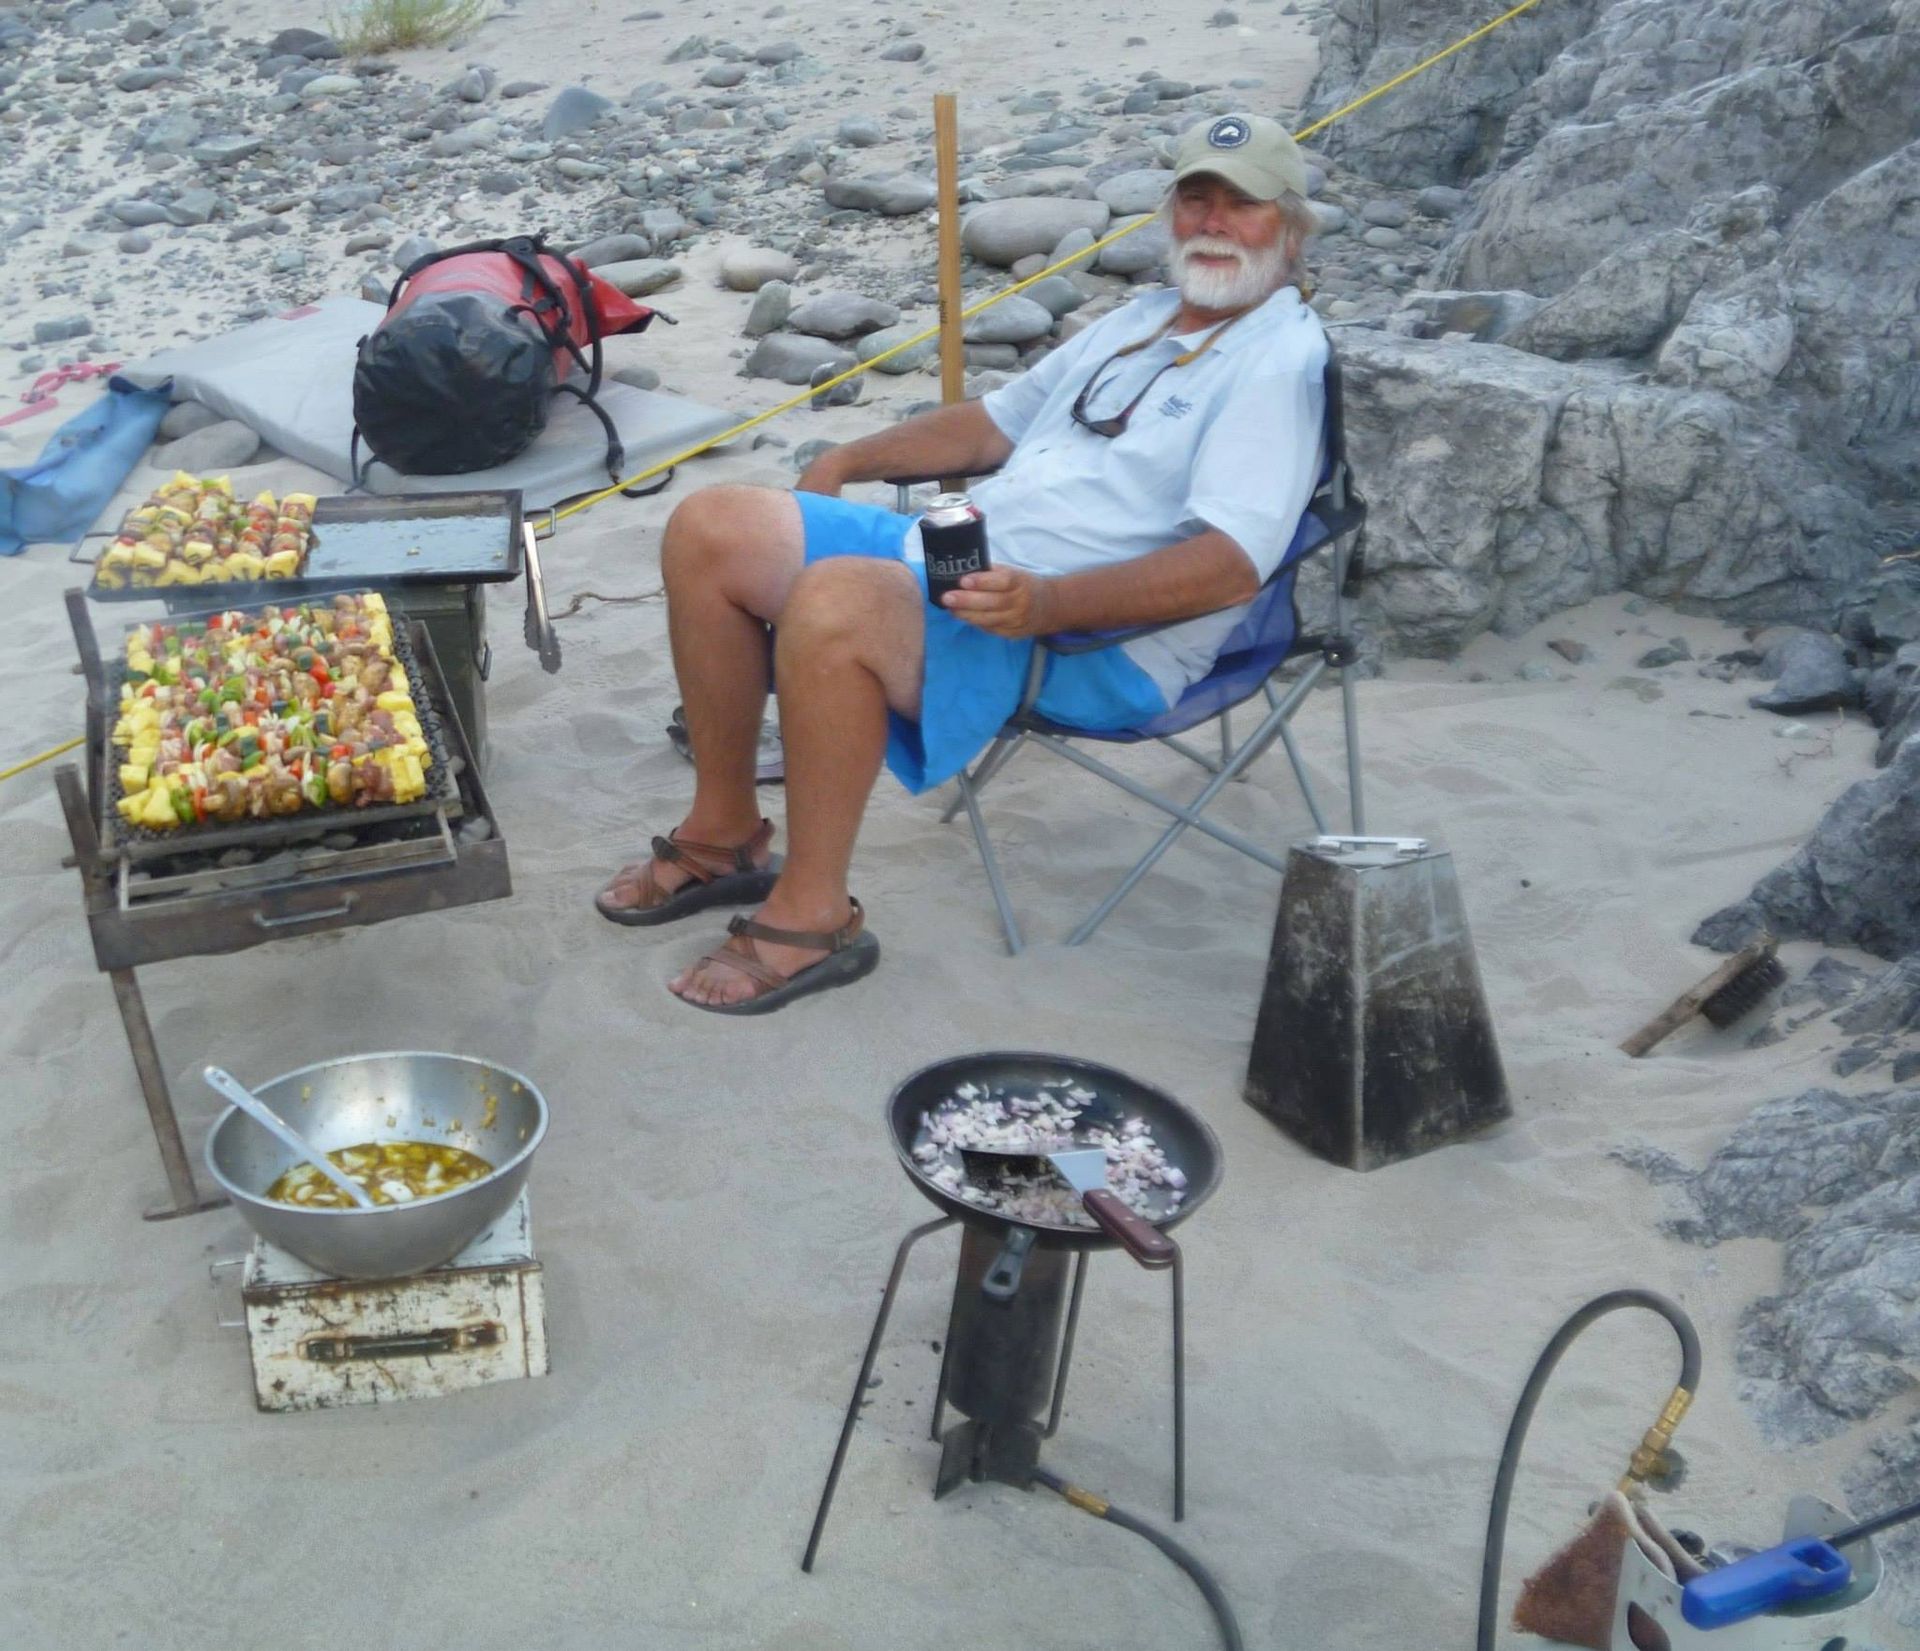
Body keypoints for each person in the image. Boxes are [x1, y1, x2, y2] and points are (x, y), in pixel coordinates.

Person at [595, 113, 1330, 1013]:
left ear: (1289, 229)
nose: (1213, 222)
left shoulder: (1275, 364)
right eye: (1196, 198)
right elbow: (991, 426)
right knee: (710, 527)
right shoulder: (1141, 321)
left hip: (1088, 640)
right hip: (974, 568)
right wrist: (850, 461)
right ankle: (724, 832)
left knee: (836, 602)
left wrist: (1049, 604)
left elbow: (1230, 567)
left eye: (1242, 205)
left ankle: (815, 912)